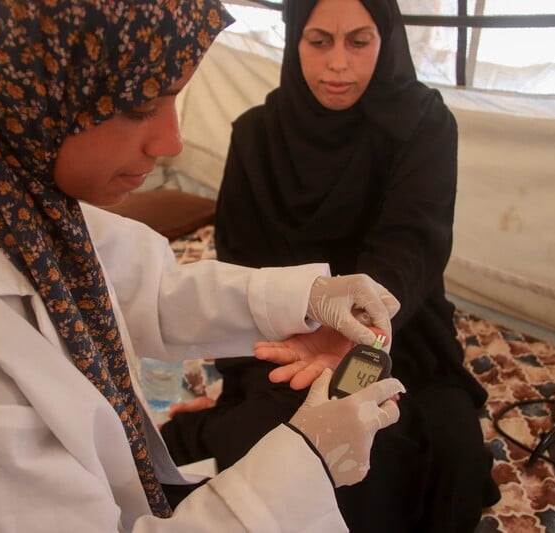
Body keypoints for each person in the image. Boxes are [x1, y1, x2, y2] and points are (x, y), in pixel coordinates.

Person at [0, 0, 408, 531]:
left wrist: (306, 300)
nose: (172, 140)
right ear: (23, 90)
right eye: (141, 103)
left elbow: (138, 285)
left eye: (177, 94)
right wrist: (307, 459)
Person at [159, 0, 502, 531]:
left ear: (385, 40)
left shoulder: (423, 124)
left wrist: (362, 325)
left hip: (397, 324)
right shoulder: (256, 135)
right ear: (295, 41)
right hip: (291, 333)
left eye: (359, 42)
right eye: (319, 42)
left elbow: (412, 242)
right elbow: (240, 265)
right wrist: (298, 333)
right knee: (282, 447)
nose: (337, 64)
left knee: (444, 450)